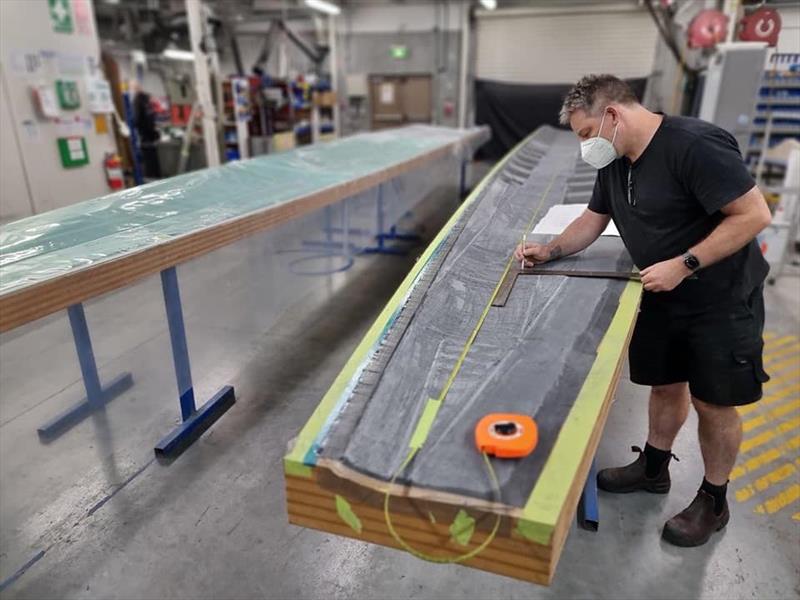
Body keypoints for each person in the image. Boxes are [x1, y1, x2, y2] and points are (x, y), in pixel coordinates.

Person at [514, 74, 772, 547]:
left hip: (720, 296)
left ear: (613, 115)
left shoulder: (695, 145)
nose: (586, 146)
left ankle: (714, 500)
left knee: (713, 402)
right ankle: (654, 468)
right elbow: (595, 218)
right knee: (664, 384)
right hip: (660, 291)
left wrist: (685, 263)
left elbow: (754, 214)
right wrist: (549, 251)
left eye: (587, 134)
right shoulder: (614, 160)